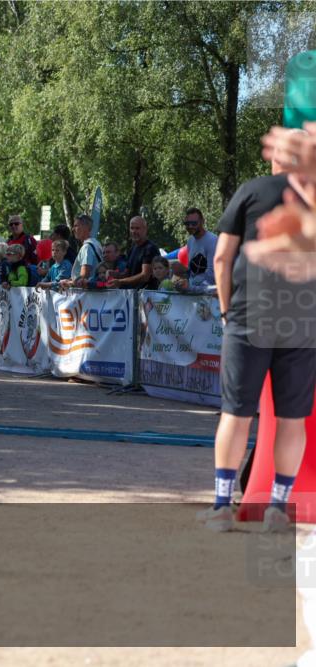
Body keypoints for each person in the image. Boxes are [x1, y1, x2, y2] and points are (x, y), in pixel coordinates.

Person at [197, 149, 315, 532]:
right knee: (291, 419)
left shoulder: (250, 192)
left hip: (250, 318)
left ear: (275, 160)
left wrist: (227, 311)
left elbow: (221, 259)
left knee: (237, 413)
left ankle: (221, 507)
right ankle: (278, 510)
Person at [107, 217, 159, 289]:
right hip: (133, 295)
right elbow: (127, 273)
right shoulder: (133, 248)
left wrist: (120, 281)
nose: (134, 231)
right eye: (132, 228)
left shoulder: (150, 248)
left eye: (137, 228)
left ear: (145, 229)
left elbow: (145, 276)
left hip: (147, 296)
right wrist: (115, 274)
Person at [61, 214, 102, 289]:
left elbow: (84, 276)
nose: (73, 229)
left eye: (76, 225)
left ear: (86, 228)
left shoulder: (86, 247)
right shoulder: (97, 243)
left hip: (86, 294)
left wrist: (67, 283)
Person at [183, 207, 218, 287]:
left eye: (194, 223)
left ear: (202, 221)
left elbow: (212, 275)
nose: (190, 226)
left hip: (209, 295)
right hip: (194, 292)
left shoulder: (212, 240)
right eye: (187, 224)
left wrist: (192, 287)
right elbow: (192, 272)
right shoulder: (190, 241)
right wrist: (183, 272)